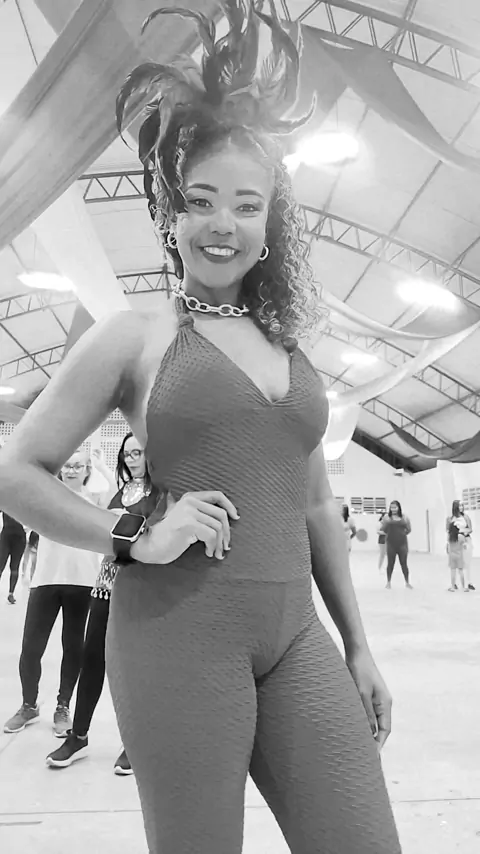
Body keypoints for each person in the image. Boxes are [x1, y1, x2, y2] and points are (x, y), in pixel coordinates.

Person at [0, 3, 401, 852]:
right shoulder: (135, 335)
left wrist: (359, 645)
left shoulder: (290, 346)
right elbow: (16, 471)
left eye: (247, 205)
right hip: (178, 635)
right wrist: (133, 535)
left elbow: (316, 505)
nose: (224, 223)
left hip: (297, 634)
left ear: (269, 227)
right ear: (169, 213)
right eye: (201, 200)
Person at [46, 433, 165, 774]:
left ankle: (135, 744)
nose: (132, 459)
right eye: (127, 454)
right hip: (107, 582)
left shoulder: (162, 494)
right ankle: (79, 735)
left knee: (136, 667)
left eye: (138, 452)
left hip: (142, 586)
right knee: (92, 658)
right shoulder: (121, 491)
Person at [3, 449, 115, 738]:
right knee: (31, 648)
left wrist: (102, 465)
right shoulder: (47, 499)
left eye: (78, 466)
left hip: (82, 583)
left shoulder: (95, 501)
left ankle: (63, 706)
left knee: (73, 648)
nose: (72, 470)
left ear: (87, 470)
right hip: (46, 581)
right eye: (67, 465)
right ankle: (28, 705)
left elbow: (117, 496)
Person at [381, 500, 412, 590]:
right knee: (390, 564)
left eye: (395, 507)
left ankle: (407, 582)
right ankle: (388, 582)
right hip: (391, 544)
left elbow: (409, 529)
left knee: (404, 564)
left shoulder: (404, 517)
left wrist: (401, 534)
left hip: (402, 544)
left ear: (399, 508)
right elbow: (383, 529)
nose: (393, 509)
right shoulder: (387, 518)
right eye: (391, 507)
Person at [0, 510, 26, 604]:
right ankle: (11, 594)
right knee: (1, 563)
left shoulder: (23, 505)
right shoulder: (6, 503)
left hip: (19, 537)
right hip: (6, 535)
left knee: (15, 566)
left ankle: (11, 594)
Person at [446, 500, 472, 593]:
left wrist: (461, 531)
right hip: (456, 541)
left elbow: (470, 529)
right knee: (458, 567)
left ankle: (467, 583)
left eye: (462, 506)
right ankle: (457, 584)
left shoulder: (465, 517)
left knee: (465, 563)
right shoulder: (450, 518)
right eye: (459, 506)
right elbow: (447, 530)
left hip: (464, 540)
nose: (461, 507)